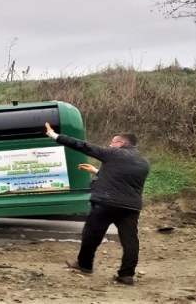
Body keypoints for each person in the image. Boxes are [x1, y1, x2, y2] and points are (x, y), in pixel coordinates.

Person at [44, 122, 150, 286]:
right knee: (130, 241)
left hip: (106, 203)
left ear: (121, 143)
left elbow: (83, 146)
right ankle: (127, 275)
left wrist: (55, 136)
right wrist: (96, 172)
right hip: (131, 207)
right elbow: (123, 181)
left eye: (113, 142)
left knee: (91, 235)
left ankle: (85, 265)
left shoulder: (114, 153)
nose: (110, 145)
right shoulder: (143, 163)